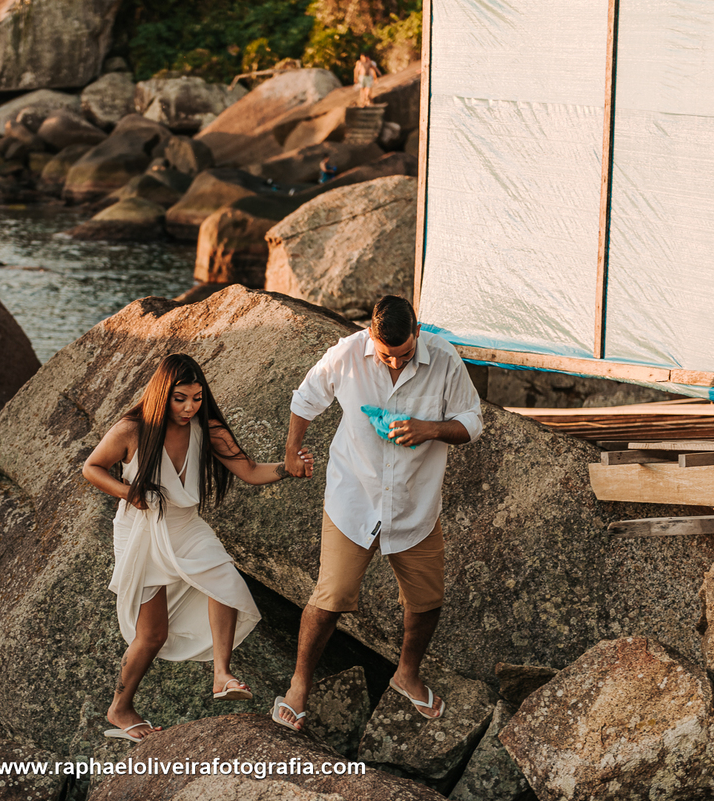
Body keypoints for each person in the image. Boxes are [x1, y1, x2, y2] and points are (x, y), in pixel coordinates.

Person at [271, 295, 482, 731]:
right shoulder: (345, 355)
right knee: (329, 599)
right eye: (387, 355)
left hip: (414, 505)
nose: (395, 363)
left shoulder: (444, 361)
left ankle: (406, 675)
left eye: (404, 354)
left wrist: (432, 429)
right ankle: (298, 685)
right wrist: (292, 451)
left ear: (417, 333)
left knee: (427, 602)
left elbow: (473, 421)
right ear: (371, 333)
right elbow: (305, 398)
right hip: (354, 499)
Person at [83, 353, 314, 742]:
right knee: (152, 635)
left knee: (223, 577)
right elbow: (91, 468)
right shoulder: (131, 430)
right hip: (140, 529)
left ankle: (222, 675)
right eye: (180, 399)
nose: (190, 407)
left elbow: (250, 471)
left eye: (196, 397)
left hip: (184, 524)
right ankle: (120, 708)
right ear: (162, 395)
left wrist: (286, 468)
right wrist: (130, 493)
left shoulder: (209, 429)